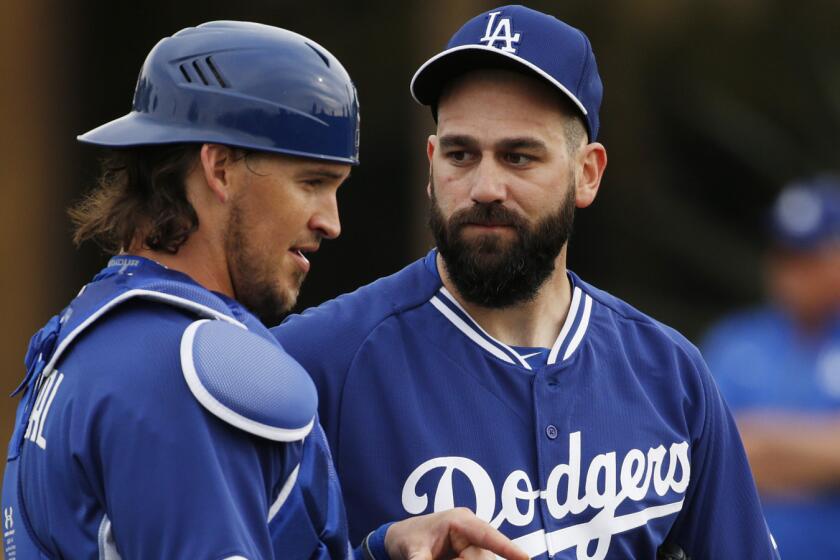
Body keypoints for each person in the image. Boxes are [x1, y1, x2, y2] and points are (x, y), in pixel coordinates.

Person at [0, 21, 527, 560]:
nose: (332, 222)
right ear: (221, 169)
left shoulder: (94, 325)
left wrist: (379, 551)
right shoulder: (195, 373)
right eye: (313, 182)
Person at [272, 5, 781, 559]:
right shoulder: (313, 363)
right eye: (461, 154)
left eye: (518, 157)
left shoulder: (669, 374)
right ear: (431, 163)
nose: (485, 186)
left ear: (587, 173)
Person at [702, 177, 840, 558]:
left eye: (809, 256)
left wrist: (760, 446)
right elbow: (705, 458)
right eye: (782, 254)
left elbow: (738, 455)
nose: (791, 272)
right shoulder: (734, 340)